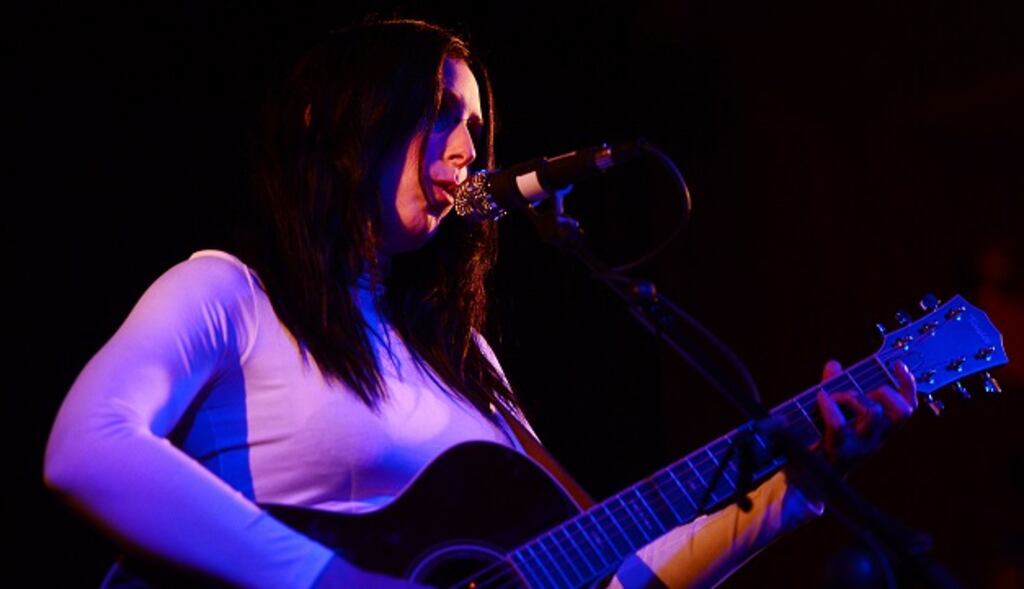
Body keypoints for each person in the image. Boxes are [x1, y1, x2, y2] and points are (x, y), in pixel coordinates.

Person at [43, 18, 918, 589]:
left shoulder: (469, 362)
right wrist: (333, 583)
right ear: (338, 124)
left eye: (475, 124)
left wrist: (790, 489)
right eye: (436, 111)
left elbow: (606, 579)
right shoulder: (230, 295)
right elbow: (87, 449)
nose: (468, 146)